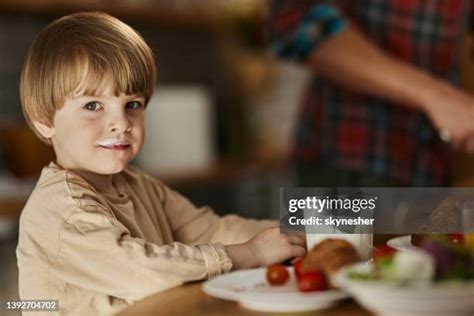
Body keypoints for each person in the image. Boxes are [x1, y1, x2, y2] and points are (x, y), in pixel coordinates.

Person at [16, 12, 306, 315]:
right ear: (44, 122)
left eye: (132, 105)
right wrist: (250, 253)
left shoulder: (138, 184)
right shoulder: (60, 209)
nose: (120, 123)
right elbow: (141, 269)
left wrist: (300, 236)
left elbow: (211, 230)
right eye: (93, 106)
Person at [269, 1, 474, 187]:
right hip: (344, 165)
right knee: (327, 229)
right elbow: (299, 25)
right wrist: (438, 97)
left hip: (430, 168)